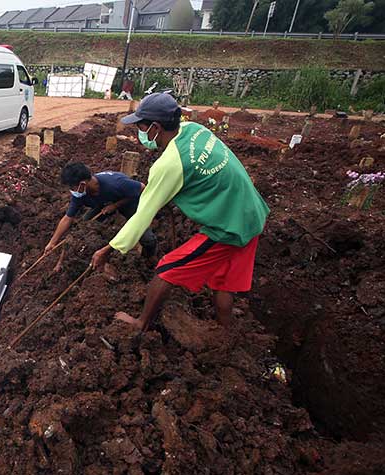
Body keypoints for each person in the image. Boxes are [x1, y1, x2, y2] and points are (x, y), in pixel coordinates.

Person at [91, 93, 269, 331]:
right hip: (251, 211)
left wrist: (108, 250)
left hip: (229, 224)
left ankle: (140, 323)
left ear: (155, 128)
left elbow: (142, 216)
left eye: (141, 126)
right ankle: (226, 336)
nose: (138, 132)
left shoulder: (169, 165)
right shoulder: (193, 129)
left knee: (166, 269)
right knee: (223, 282)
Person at [44, 163, 157, 261]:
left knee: (148, 239)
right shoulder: (80, 194)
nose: (71, 190)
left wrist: (116, 205)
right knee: (85, 226)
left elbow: (143, 188)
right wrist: (52, 242)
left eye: (72, 187)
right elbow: (68, 218)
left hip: (129, 202)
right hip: (104, 204)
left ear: (82, 184)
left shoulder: (116, 183)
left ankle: (149, 257)